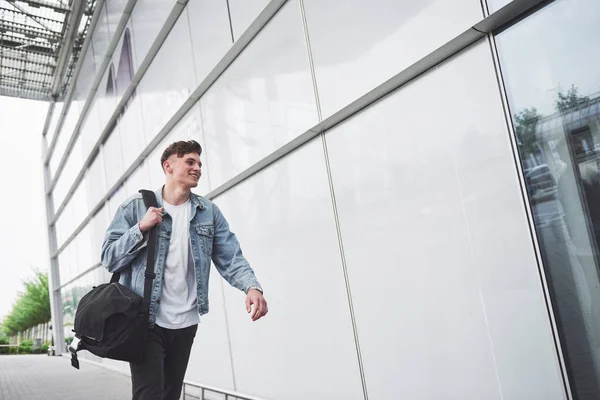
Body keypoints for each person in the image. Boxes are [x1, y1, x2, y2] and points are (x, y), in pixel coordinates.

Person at [101, 140, 268, 400]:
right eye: (190, 161)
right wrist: (140, 229)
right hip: (147, 319)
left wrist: (252, 286)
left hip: (186, 322)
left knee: (170, 395)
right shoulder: (136, 207)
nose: (198, 168)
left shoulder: (208, 213)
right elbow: (109, 258)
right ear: (168, 166)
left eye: (199, 163)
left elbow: (230, 256)